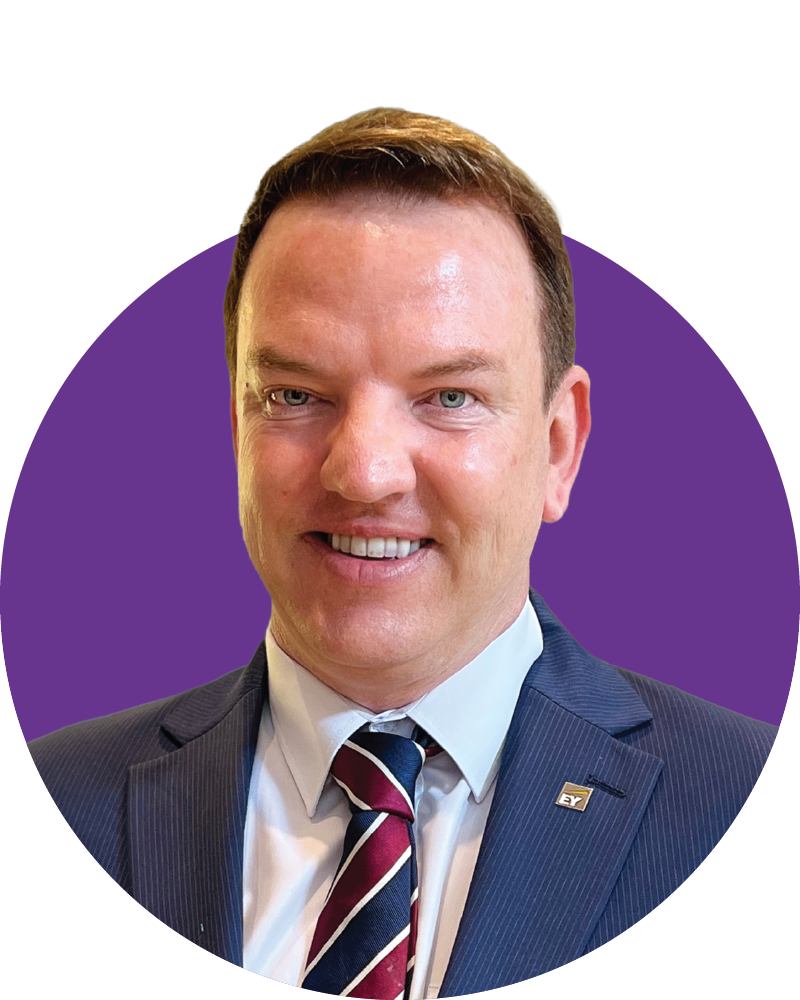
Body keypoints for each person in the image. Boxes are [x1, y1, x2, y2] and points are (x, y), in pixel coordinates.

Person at [28, 107, 777, 999]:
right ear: (236, 427)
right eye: (296, 394)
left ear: (558, 447)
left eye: (450, 397)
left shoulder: (759, 814)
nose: (365, 473)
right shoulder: (44, 810)